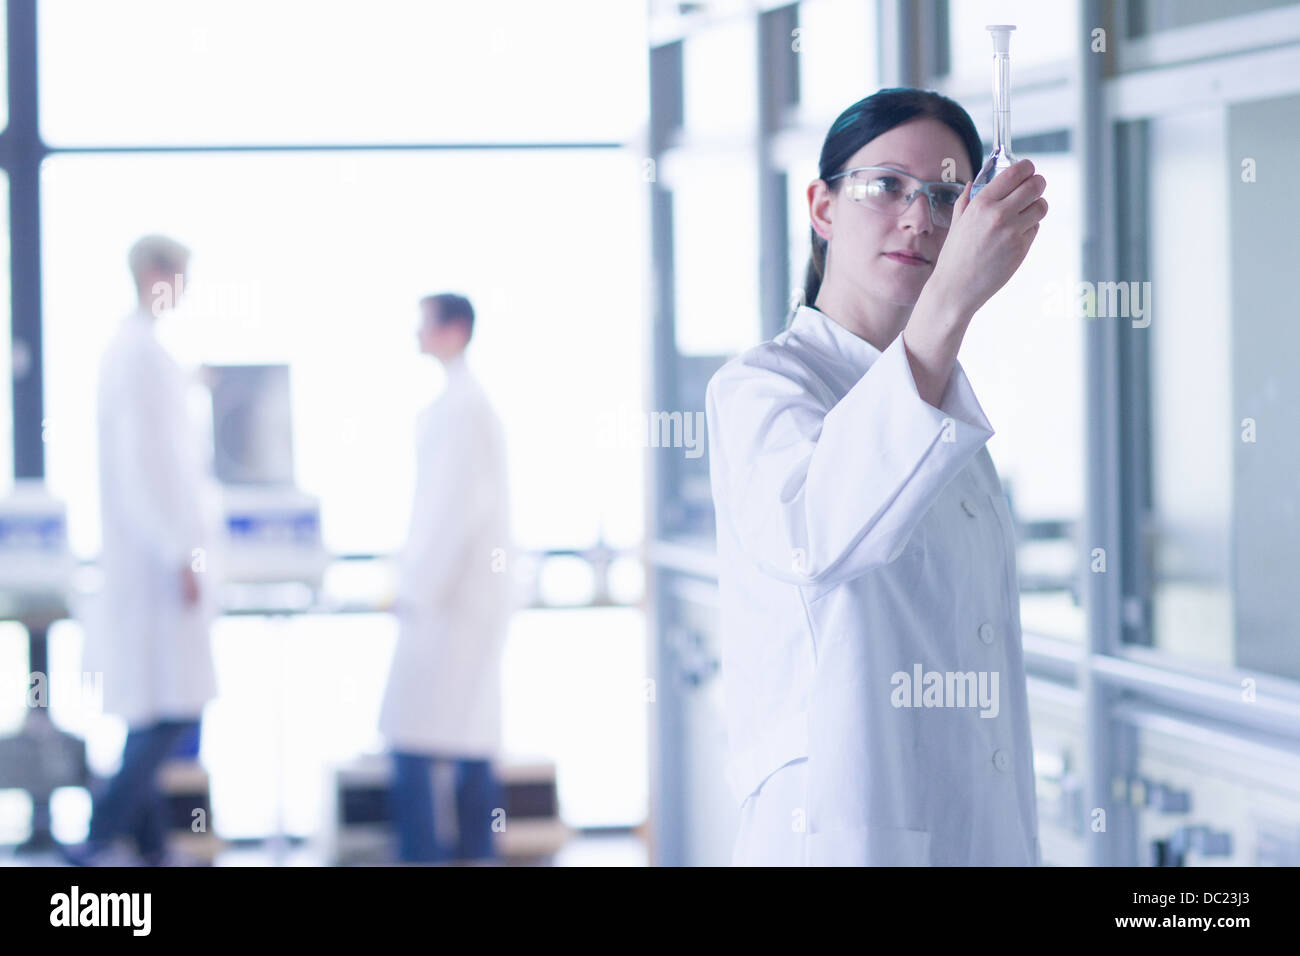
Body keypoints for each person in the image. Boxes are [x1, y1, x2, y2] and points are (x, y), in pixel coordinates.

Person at [705, 88, 1048, 866]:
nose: (918, 218)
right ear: (822, 207)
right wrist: (951, 304)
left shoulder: (946, 413)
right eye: (885, 186)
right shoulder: (762, 388)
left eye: (944, 195)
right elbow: (814, 537)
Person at [65, 234, 221, 866]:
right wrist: (178, 552)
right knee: (167, 717)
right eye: (179, 274)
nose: (183, 287)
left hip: (154, 559)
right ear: (155, 274)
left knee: (156, 713)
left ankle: (150, 847)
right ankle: (99, 835)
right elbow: (144, 471)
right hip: (154, 563)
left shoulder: (146, 353)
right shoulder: (138, 354)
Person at [379, 293, 513, 864]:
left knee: (418, 741)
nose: (416, 332)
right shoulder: (459, 403)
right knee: (466, 738)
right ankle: (471, 855)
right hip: (459, 602)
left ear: (454, 330)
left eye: (424, 323)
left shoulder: (462, 408)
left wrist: (412, 590)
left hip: (451, 603)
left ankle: (430, 857)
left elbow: (448, 515)